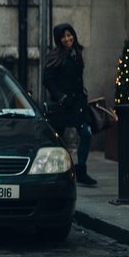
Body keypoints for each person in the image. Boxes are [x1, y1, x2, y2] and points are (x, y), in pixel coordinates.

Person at [43, 23, 97, 187]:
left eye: (70, 35)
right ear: (59, 40)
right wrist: (61, 97)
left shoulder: (77, 53)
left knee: (86, 133)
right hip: (62, 105)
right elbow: (47, 80)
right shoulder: (55, 57)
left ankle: (81, 170)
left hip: (78, 103)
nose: (68, 39)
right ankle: (58, 171)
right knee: (58, 140)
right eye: (64, 36)